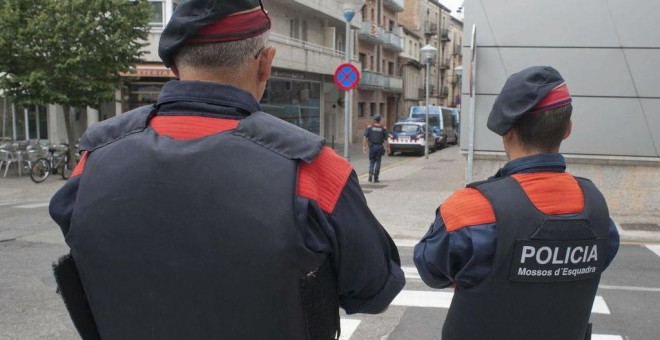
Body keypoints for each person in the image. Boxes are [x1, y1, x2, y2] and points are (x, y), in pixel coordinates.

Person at [48, 1, 405, 339]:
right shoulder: (315, 170)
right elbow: (374, 291)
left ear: (174, 67)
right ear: (265, 63)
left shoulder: (93, 160)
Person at [414, 66, 620, 340]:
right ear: (567, 129)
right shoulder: (595, 208)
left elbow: (431, 271)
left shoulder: (470, 209)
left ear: (507, 131)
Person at [362, 114, 388, 183]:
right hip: (379, 147)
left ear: (374, 119)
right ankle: (376, 178)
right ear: (380, 120)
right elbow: (386, 140)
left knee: (372, 161)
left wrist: (364, 147)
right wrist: (388, 148)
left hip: (372, 147)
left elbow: (365, 136)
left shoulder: (369, 127)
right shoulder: (383, 128)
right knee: (378, 162)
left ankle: (370, 174)